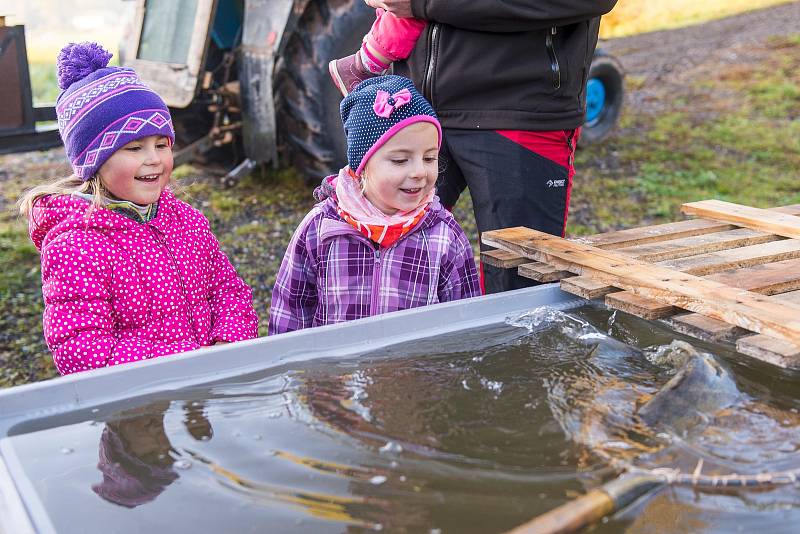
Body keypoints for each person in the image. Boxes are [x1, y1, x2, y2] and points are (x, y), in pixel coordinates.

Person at [334, 0, 618, 294]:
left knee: (518, 290)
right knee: (382, 278)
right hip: (416, 107)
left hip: (520, 109)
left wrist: (424, 3)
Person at [19, 42, 259, 375]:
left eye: (162, 144)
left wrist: (228, 344)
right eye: (134, 147)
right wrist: (190, 361)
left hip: (207, 386)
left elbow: (228, 291)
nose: (154, 159)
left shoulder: (187, 221)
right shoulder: (76, 246)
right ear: (94, 162)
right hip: (140, 405)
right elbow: (82, 349)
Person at [269, 75, 480, 335]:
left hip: (416, 372)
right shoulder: (321, 227)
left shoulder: (444, 235)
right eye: (401, 160)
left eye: (429, 158)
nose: (419, 172)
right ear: (363, 166)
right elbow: (290, 309)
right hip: (338, 372)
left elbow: (466, 321)